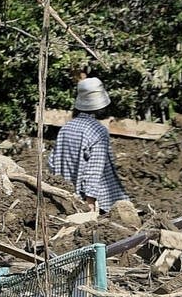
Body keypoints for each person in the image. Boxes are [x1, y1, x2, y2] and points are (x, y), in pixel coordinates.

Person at [49, 77, 129, 210]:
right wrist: (90, 202)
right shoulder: (98, 130)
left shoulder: (66, 128)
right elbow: (94, 169)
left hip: (65, 198)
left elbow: (52, 162)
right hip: (93, 200)